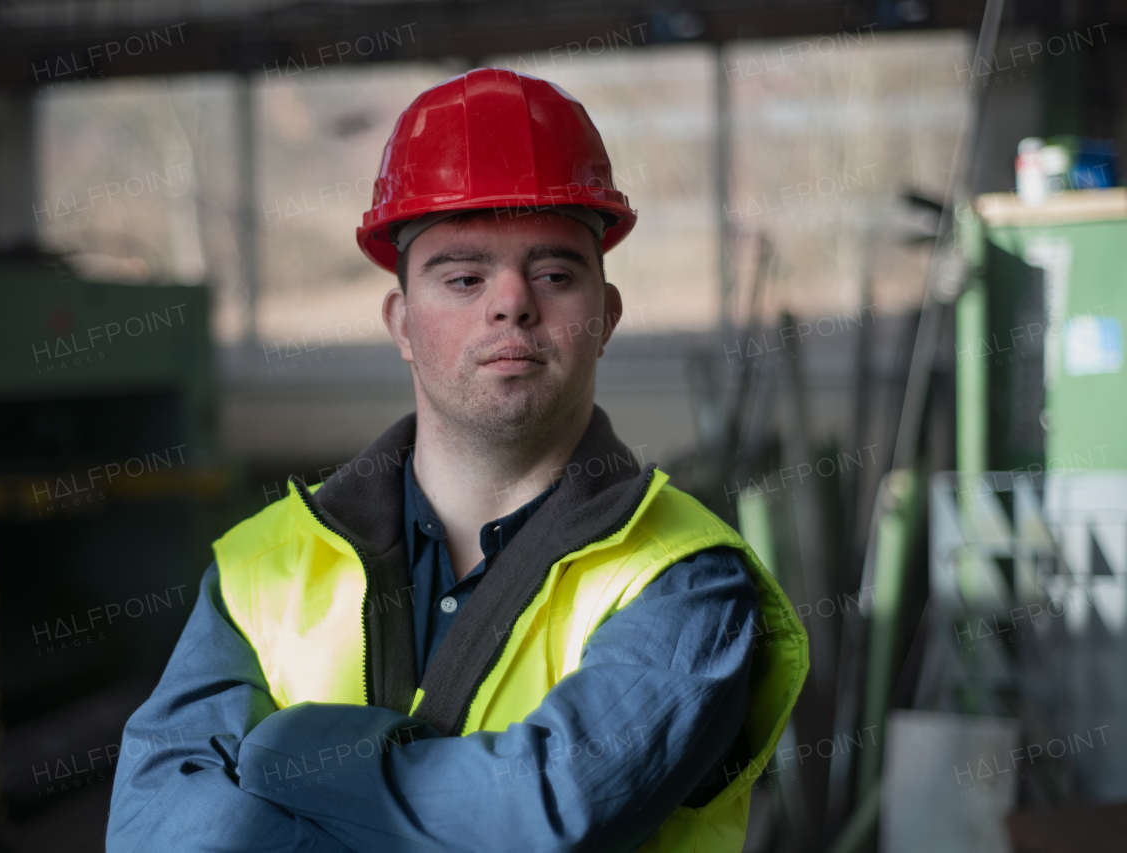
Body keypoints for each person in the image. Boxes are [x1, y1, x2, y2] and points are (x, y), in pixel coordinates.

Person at [106, 67, 808, 853]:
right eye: (465, 275)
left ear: (605, 317)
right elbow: (153, 831)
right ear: (402, 323)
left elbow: (545, 814)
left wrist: (277, 752)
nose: (511, 301)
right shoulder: (261, 571)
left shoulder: (686, 578)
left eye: (553, 273)